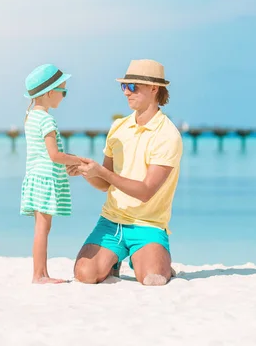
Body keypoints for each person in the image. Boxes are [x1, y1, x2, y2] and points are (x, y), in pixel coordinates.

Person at [72, 59, 183, 286]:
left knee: (153, 279)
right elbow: (105, 184)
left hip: (148, 224)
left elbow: (146, 192)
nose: (126, 92)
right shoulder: (118, 127)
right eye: (124, 86)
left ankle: (160, 263)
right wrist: (87, 172)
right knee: (84, 274)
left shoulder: (167, 135)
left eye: (132, 86)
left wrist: (102, 172)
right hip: (111, 221)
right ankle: (115, 259)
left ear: (154, 89)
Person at [20, 63, 83, 284]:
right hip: (46, 178)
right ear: (49, 93)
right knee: (43, 228)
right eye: (63, 91)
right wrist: (79, 160)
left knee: (41, 226)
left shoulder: (31, 117)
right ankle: (39, 275)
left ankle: (42, 273)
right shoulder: (47, 119)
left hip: (35, 176)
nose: (64, 96)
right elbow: (54, 155)